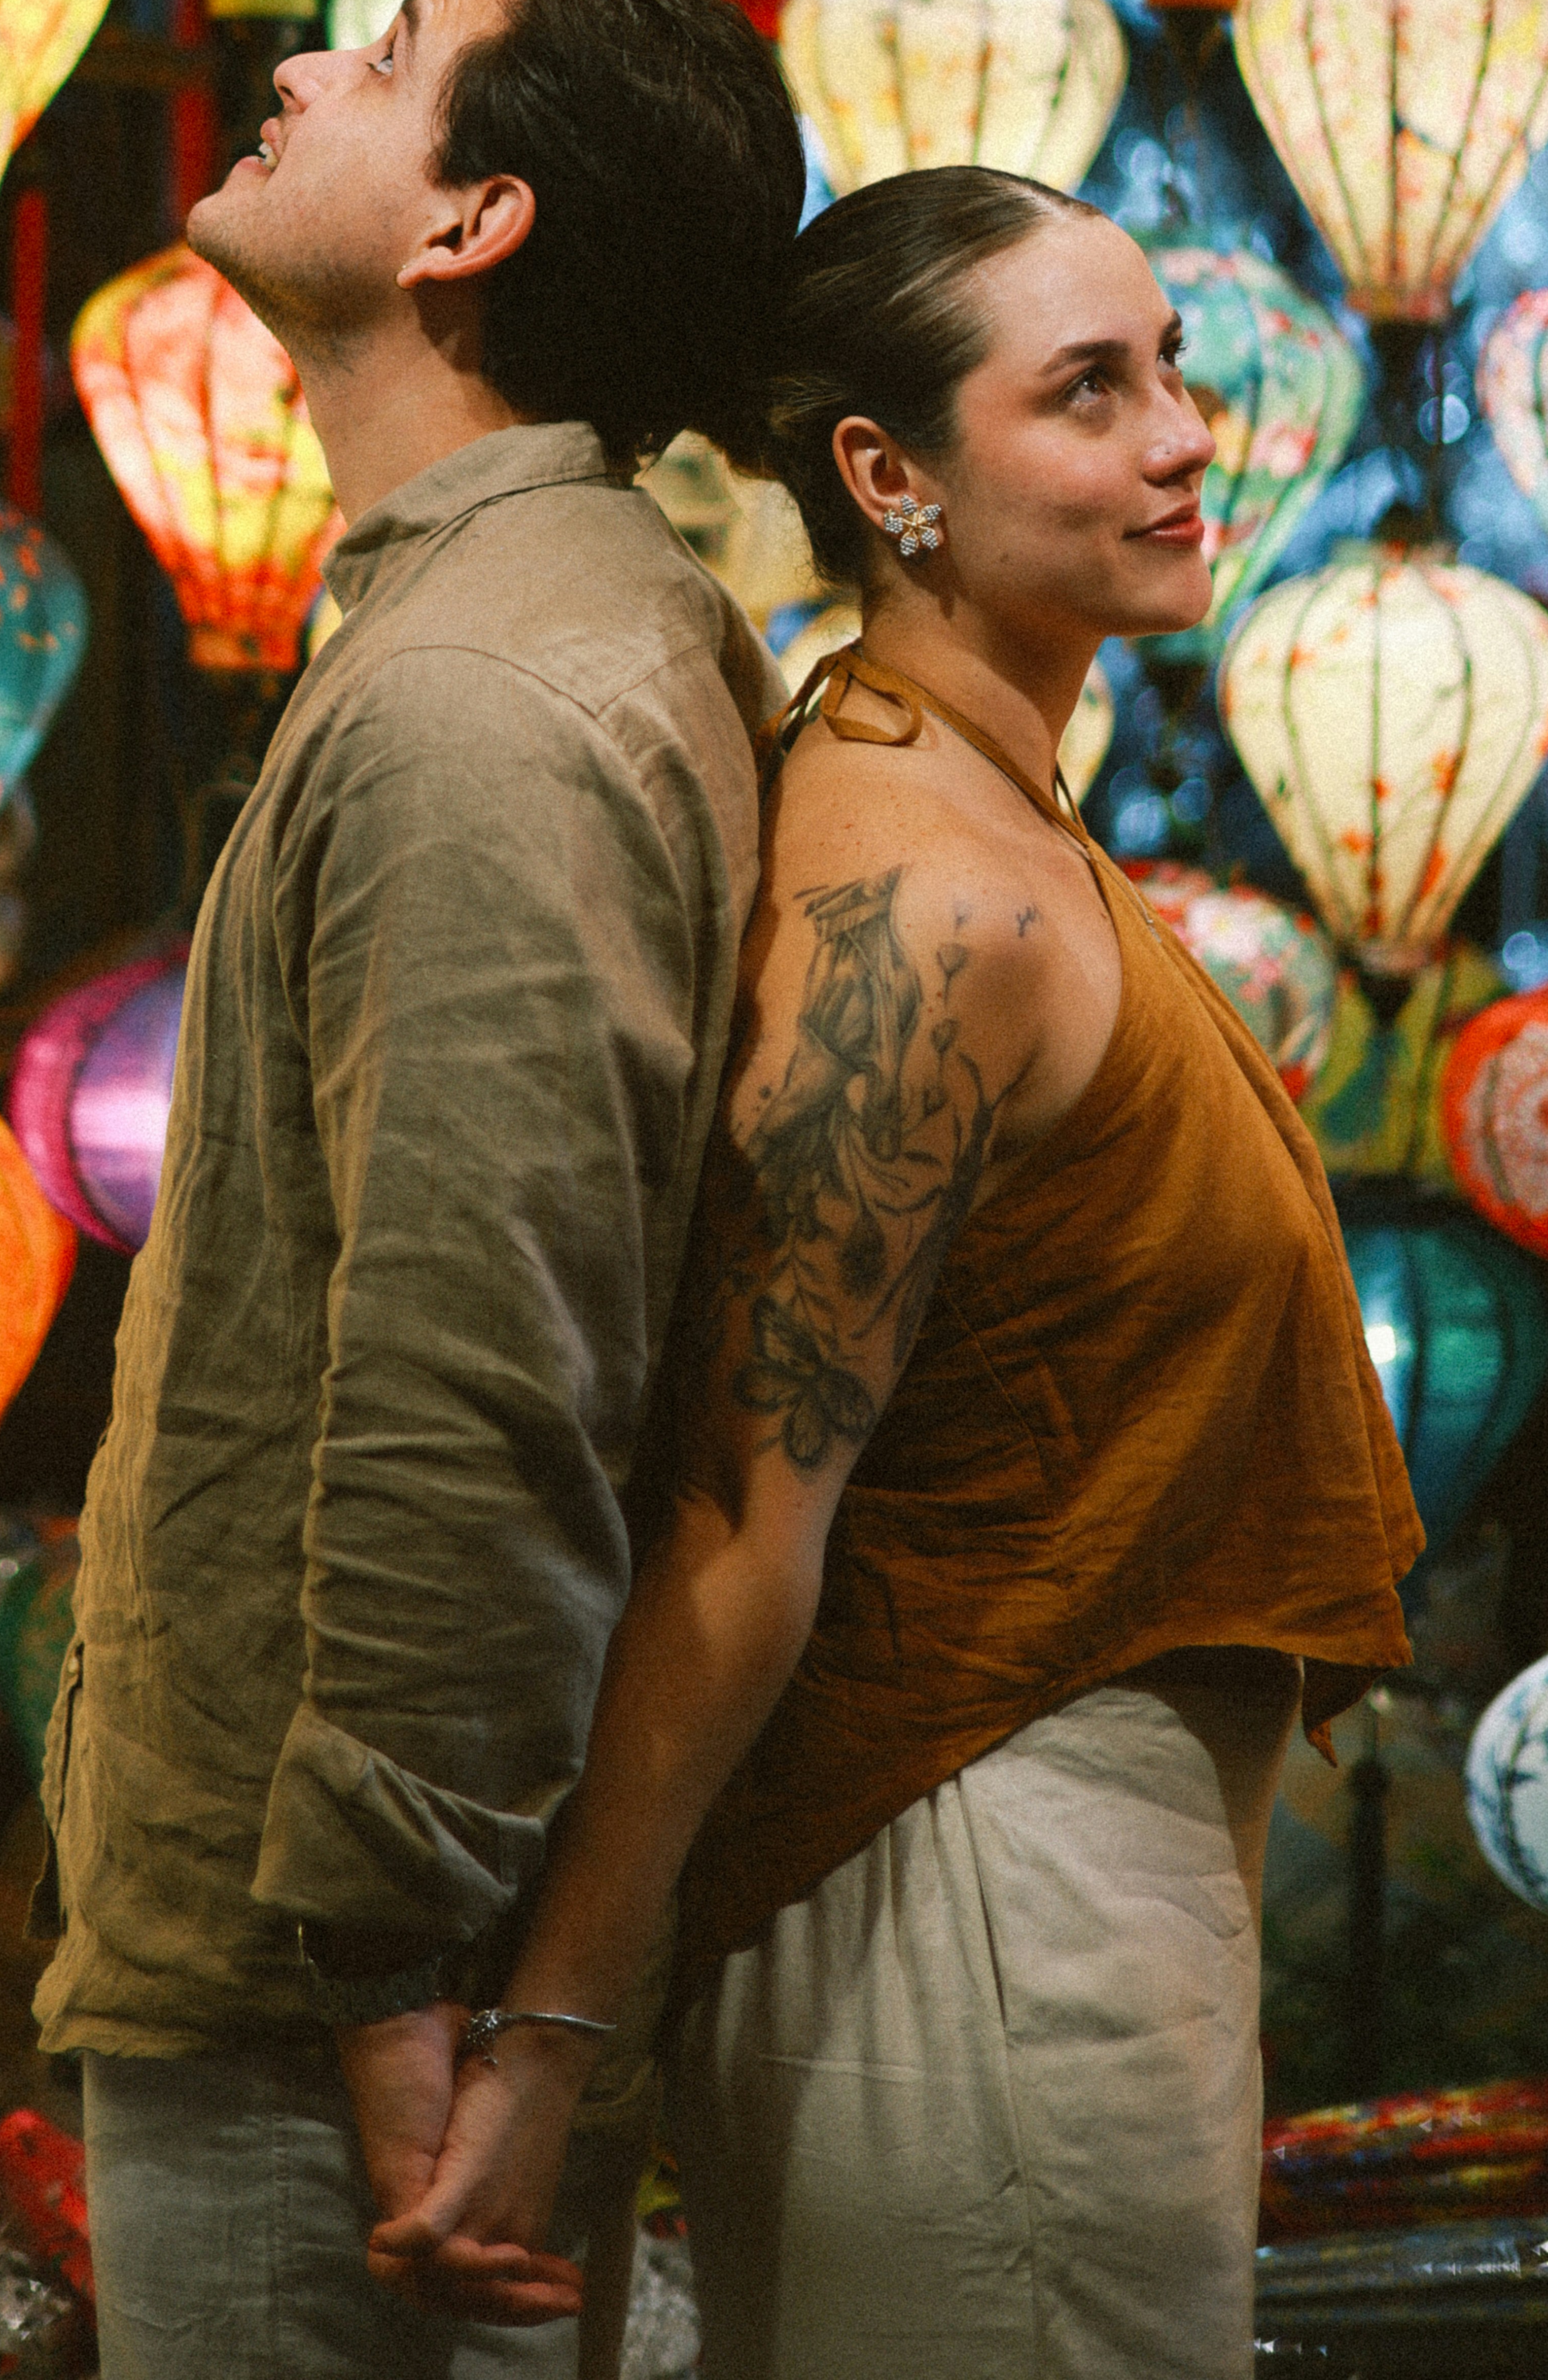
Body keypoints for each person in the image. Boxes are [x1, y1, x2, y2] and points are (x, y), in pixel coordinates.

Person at [375, 166, 1424, 2379]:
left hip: (1051, 1894)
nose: (1183, 435)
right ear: (889, 474)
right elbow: (743, 1520)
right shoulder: (923, 895)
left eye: (1175, 371)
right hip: (972, 1907)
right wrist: (559, 2023)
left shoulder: (992, 803)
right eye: (1091, 391)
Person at [31, 0, 808, 2379]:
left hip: (327, 2020)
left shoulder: (487, 698)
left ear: (477, 228)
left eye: (383, 56)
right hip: (336, 1970)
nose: (299, 72)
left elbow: (484, 1373)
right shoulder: (512, 622)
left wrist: (385, 1966)